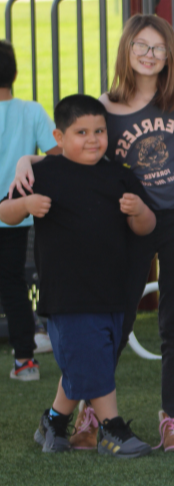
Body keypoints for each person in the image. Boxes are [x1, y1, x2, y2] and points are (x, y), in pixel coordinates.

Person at [14, 15, 174, 451]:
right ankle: (90, 414)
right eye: (141, 46)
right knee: (114, 318)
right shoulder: (108, 105)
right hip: (125, 220)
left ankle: (173, 417)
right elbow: (72, 149)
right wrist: (29, 160)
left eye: (158, 47)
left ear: (170, 52)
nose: (150, 55)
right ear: (126, 51)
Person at [0, 94, 157, 458]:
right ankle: (110, 429)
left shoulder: (119, 176)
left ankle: (53, 422)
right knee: (90, 357)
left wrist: (138, 210)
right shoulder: (43, 174)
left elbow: (147, 227)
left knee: (87, 357)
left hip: (110, 290)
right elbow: (5, 212)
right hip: (66, 292)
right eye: (81, 132)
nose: (92, 139)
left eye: (99, 131)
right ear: (58, 136)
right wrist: (25, 205)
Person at [0, 40, 59, 383]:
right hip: (17, 212)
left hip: (14, 213)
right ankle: (26, 362)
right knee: (12, 285)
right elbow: (57, 154)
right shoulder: (32, 111)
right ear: (15, 72)